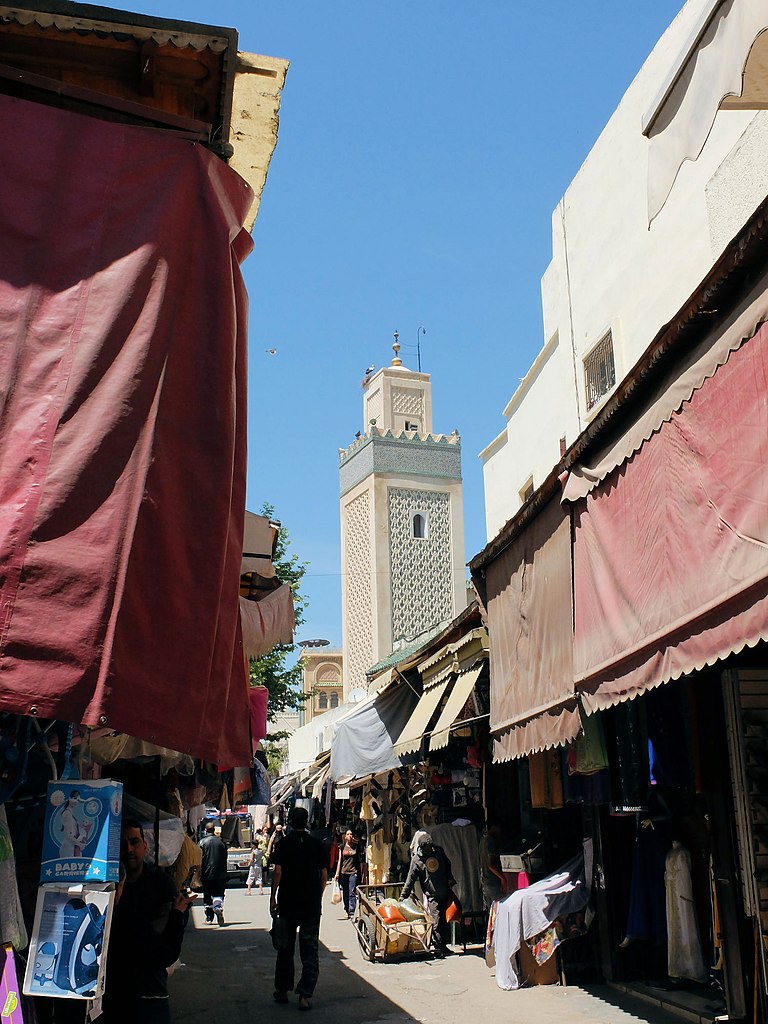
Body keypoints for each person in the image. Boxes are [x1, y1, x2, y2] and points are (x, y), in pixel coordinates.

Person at [102, 820, 195, 1023]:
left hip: (150, 994)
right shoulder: (105, 887)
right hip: (114, 995)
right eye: (123, 844)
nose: (129, 849)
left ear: (145, 846)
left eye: (134, 842)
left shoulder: (161, 884)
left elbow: (163, 950)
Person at [270, 806, 329, 1011]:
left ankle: (283, 990)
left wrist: (272, 897)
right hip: (310, 905)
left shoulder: (284, 844)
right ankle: (304, 995)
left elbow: (277, 873)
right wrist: (318, 897)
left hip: (288, 903)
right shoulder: (316, 845)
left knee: (285, 948)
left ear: (290, 822)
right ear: (307, 822)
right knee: (310, 950)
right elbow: (323, 876)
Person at [400, 830, 457, 958]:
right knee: (436, 921)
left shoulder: (438, 852)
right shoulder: (416, 860)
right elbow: (410, 880)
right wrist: (402, 898)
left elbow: (448, 864)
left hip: (445, 891)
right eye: (427, 848)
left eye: (431, 846)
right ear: (421, 847)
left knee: (445, 920)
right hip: (432, 896)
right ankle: (438, 947)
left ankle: (443, 946)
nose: (430, 849)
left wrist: (450, 877)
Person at [199, 821, 228, 925]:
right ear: (214, 829)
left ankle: (209, 918)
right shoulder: (221, 842)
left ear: (206, 830)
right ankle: (217, 906)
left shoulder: (202, 842)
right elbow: (225, 857)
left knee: (207, 895)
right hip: (221, 873)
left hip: (207, 873)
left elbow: (199, 858)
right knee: (218, 893)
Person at [334, 829, 361, 919]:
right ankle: (346, 909)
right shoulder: (341, 847)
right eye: (348, 834)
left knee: (351, 892)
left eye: (351, 834)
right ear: (345, 837)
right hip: (344, 872)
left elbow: (359, 859)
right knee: (345, 892)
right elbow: (339, 861)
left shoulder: (356, 847)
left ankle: (352, 911)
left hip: (353, 872)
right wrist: (337, 874)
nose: (350, 835)